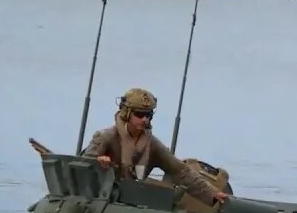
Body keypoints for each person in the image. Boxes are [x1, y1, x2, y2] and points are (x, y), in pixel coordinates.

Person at [81, 87, 229, 206]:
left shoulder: (151, 145)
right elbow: (81, 169)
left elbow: (181, 172)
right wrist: (98, 163)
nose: (145, 119)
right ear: (127, 114)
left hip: (133, 201)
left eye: (149, 115)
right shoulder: (106, 137)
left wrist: (212, 192)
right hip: (100, 200)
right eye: (139, 114)